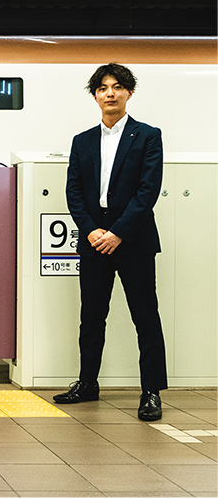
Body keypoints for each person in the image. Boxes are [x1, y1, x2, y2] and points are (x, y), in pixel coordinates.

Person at [56, 63, 166, 421]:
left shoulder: (148, 136)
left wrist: (118, 232)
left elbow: (147, 191)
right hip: (93, 238)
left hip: (133, 238)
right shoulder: (82, 140)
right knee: (91, 316)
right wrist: (90, 230)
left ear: (129, 93)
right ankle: (87, 383)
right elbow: (74, 192)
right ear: (95, 96)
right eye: (103, 88)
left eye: (118, 86)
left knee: (145, 317)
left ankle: (151, 392)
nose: (110, 93)